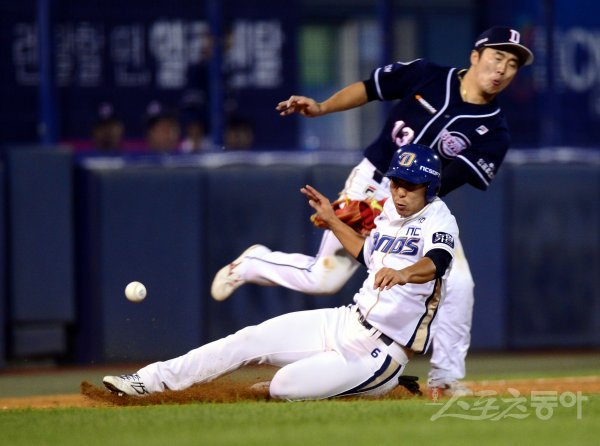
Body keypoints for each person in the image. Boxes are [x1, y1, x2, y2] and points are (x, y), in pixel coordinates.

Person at [210, 26, 534, 397]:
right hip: (372, 182)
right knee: (323, 279)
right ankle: (251, 264)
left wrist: (386, 214)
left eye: (512, 64)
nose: (502, 69)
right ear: (475, 56)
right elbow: (369, 88)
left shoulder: (495, 132)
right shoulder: (428, 75)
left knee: (459, 283)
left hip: (421, 205)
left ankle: (445, 379)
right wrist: (322, 107)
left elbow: (447, 181)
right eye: (497, 56)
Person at [103, 145, 458, 400]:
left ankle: (382, 383)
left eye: (410, 185)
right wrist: (333, 221)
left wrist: (404, 273)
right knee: (248, 340)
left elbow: (437, 262)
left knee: (282, 386)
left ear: (430, 187)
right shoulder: (390, 212)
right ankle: (148, 380)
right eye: (396, 183)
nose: (399, 192)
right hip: (347, 320)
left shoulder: (439, 218)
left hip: (382, 351)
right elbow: (367, 253)